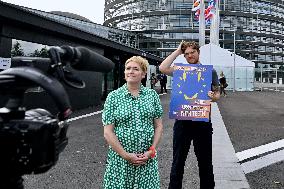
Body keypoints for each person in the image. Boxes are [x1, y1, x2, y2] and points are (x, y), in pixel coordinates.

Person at [159, 41, 220, 189]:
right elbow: (162, 68)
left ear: (198, 52)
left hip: (202, 122)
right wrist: (177, 51)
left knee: (205, 162)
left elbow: (217, 93)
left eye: (192, 52)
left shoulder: (209, 71)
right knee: (178, 161)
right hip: (182, 121)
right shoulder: (180, 69)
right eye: (186, 54)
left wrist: (213, 96)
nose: (189, 55)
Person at [102, 56, 163, 189]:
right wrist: (125, 155)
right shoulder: (113, 97)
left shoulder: (152, 96)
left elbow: (158, 126)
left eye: (136, 69)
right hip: (120, 160)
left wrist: (151, 151)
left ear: (143, 74)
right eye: (128, 68)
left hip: (147, 158)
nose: (131, 71)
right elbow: (108, 131)